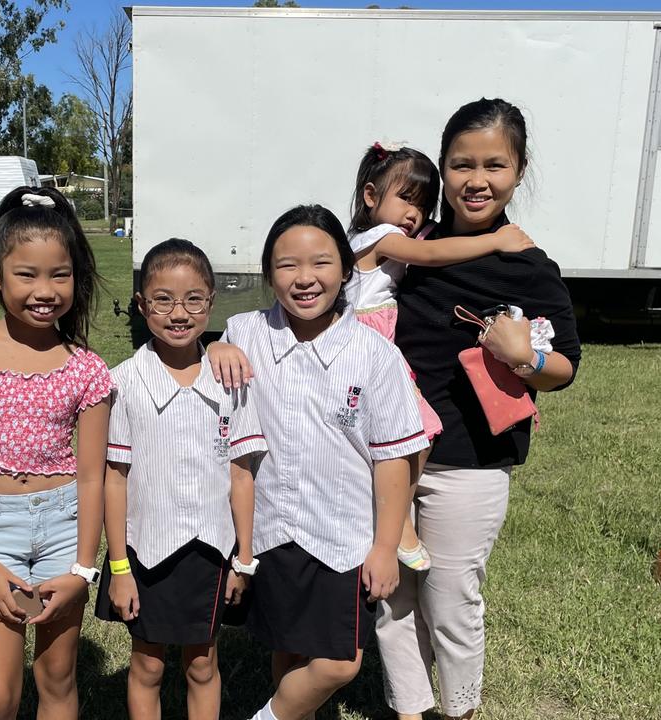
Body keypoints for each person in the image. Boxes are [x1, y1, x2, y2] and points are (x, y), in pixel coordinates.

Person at [376, 98, 581, 720]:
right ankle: (409, 708)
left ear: (519, 171)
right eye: (462, 164)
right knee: (389, 595)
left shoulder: (529, 265)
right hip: (386, 454)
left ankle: (459, 709)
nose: (477, 180)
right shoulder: (414, 247)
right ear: (444, 168)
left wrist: (524, 358)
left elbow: (566, 366)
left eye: (495, 164)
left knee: (448, 597)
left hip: (469, 460)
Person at [210, 205, 429, 720]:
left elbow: (394, 458)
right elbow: (207, 365)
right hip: (270, 527)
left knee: (338, 662)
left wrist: (383, 546)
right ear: (268, 274)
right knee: (286, 648)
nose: (304, 279)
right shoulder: (246, 332)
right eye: (287, 265)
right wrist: (213, 350)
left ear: (347, 269)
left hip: (342, 534)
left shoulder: (374, 355)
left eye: (321, 263)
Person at [343, 142, 536, 571]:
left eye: (424, 205)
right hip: (372, 346)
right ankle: (400, 522)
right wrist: (495, 238)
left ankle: (397, 512)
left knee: (410, 430)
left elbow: (430, 237)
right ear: (371, 197)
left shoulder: (381, 234)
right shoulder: (382, 237)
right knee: (424, 427)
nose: (416, 215)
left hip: (377, 345)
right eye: (406, 200)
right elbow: (429, 254)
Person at [95, 239, 265, 720]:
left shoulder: (231, 379)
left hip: (212, 550)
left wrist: (244, 559)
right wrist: (121, 567)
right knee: (147, 666)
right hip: (144, 550)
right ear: (141, 304)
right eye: (163, 300)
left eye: (193, 299)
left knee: (203, 665)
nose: (178, 313)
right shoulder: (123, 381)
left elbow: (241, 474)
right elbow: (115, 478)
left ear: (211, 302)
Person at [0, 186, 112, 720]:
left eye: (60, 274)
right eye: (27, 274)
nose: (45, 290)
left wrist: (82, 570)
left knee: (57, 679)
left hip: (62, 528)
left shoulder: (87, 369)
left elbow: (93, 476)